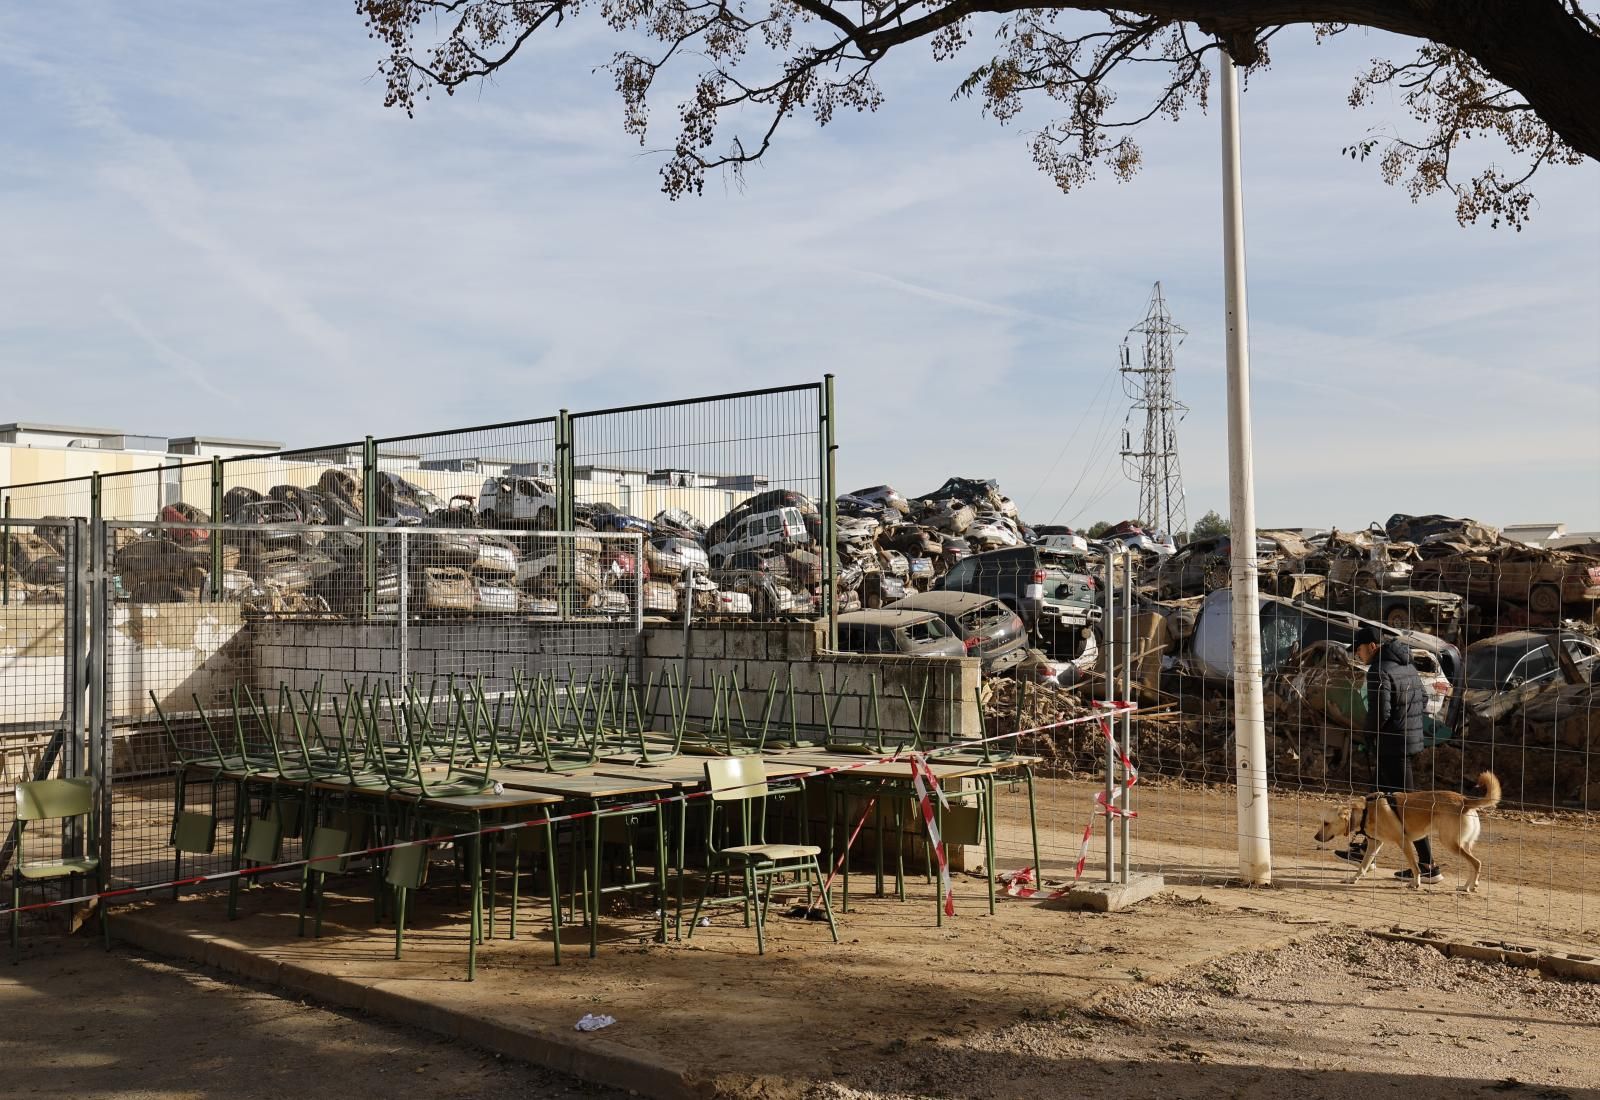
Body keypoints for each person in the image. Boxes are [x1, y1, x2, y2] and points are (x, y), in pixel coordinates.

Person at [1335, 623, 1441, 883]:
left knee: (1405, 806)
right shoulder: (1406, 664)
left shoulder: (1378, 671)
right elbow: (1423, 700)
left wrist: (1367, 737)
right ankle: (1364, 850)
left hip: (1391, 743)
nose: (1357, 655)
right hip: (1408, 739)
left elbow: (1379, 713)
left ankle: (1428, 866)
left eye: (1358, 649)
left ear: (1371, 646)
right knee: (1375, 798)